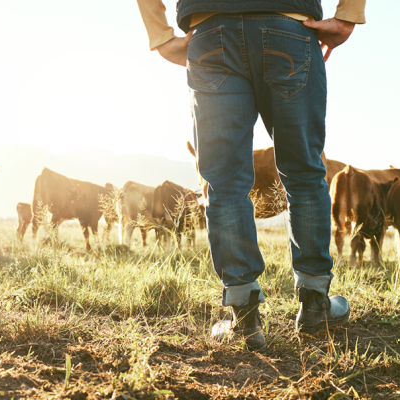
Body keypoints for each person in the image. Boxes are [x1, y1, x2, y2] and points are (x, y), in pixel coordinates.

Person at [136, 0, 366, 352]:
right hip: (289, 28)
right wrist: (349, 14)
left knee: (225, 183)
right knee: (304, 173)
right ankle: (315, 305)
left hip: (211, 31)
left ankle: (245, 318)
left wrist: (160, 34)